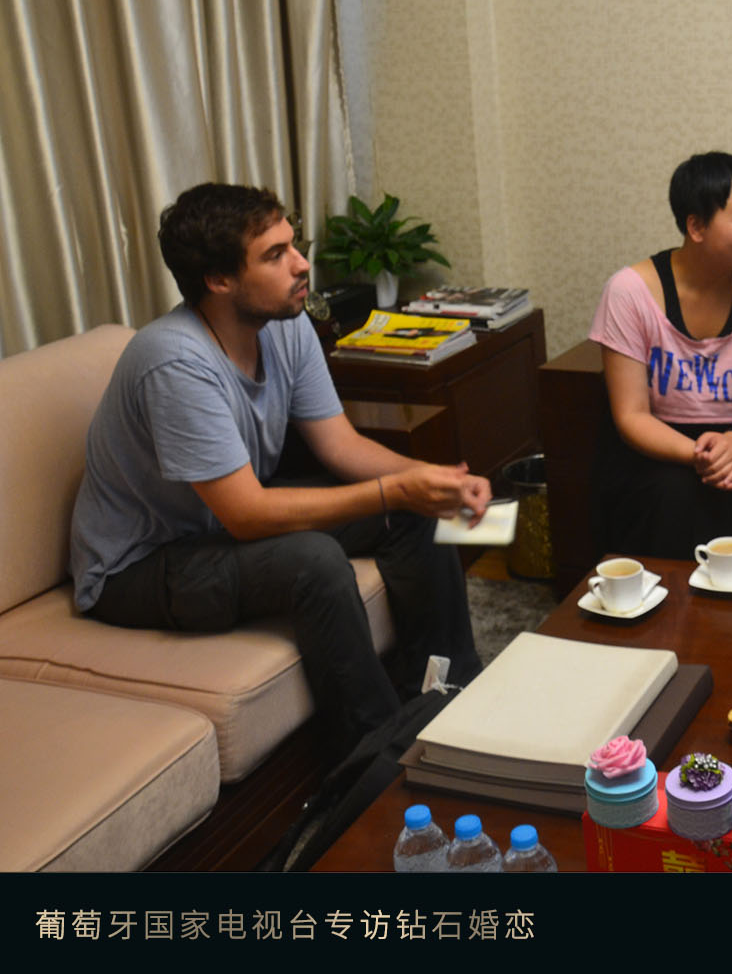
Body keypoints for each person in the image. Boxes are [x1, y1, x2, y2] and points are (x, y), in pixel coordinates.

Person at [69, 184, 487, 758]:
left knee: (415, 513)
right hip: (138, 566)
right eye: (274, 255)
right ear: (219, 279)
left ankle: (452, 700)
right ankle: (379, 762)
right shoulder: (173, 360)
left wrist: (432, 480)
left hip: (218, 525)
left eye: (294, 245)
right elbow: (246, 515)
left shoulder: (284, 322)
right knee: (313, 561)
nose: (300, 264)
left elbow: (339, 444)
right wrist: (394, 489)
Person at [589, 152, 732, 569]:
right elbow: (631, 415)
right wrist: (700, 456)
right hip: (661, 437)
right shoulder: (628, 292)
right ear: (696, 227)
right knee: (669, 492)